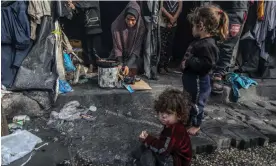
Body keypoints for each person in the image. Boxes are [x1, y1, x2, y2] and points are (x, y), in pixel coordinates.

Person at [181, 5, 229, 135]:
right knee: (189, 102)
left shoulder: (208, 45)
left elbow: (207, 64)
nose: (192, 28)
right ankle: (188, 120)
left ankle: (196, 125)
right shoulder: (201, 42)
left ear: (201, 26)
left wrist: (190, 61)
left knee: (197, 104)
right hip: (191, 81)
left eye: (193, 25)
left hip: (198, 83)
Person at [133, 89, 192, 166]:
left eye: (168, 113)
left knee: (148, 155)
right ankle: (135, 158)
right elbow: (164, 143)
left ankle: (137, 161)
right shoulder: (172, 124)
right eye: (161, 112)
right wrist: (148, 140)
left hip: (177, 161)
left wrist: (147, 140)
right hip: (171, 152)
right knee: (146, 146)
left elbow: (163, 150)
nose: (163, 116)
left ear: (179, 116)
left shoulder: (177, 130)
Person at [211, 1, 249, 93]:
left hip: (236, 8)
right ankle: (208, 69)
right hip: (216, 5)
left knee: (227, 45)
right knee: (210, 38)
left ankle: (218, 75)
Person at [110, 1, 146, 76]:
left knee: (131, 71)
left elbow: (136, 50)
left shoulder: (141, 27)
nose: (130, 22)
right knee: (113, 70)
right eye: (128, 19)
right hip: (118, 56)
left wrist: (127, 65)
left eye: (133, 20)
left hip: (132, 58)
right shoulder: (116, 25)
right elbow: (117, 48)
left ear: (137, 18)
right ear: (124, 17)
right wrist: (120, 63)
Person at [158, 0, 182, 73]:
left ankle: (166, 65)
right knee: (162, 44)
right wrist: (170, 18)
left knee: (169, 44)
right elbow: (161, 7)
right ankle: (160, 66)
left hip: (173, 23)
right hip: (163, 23)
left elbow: (180, 8)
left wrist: (173, 20)